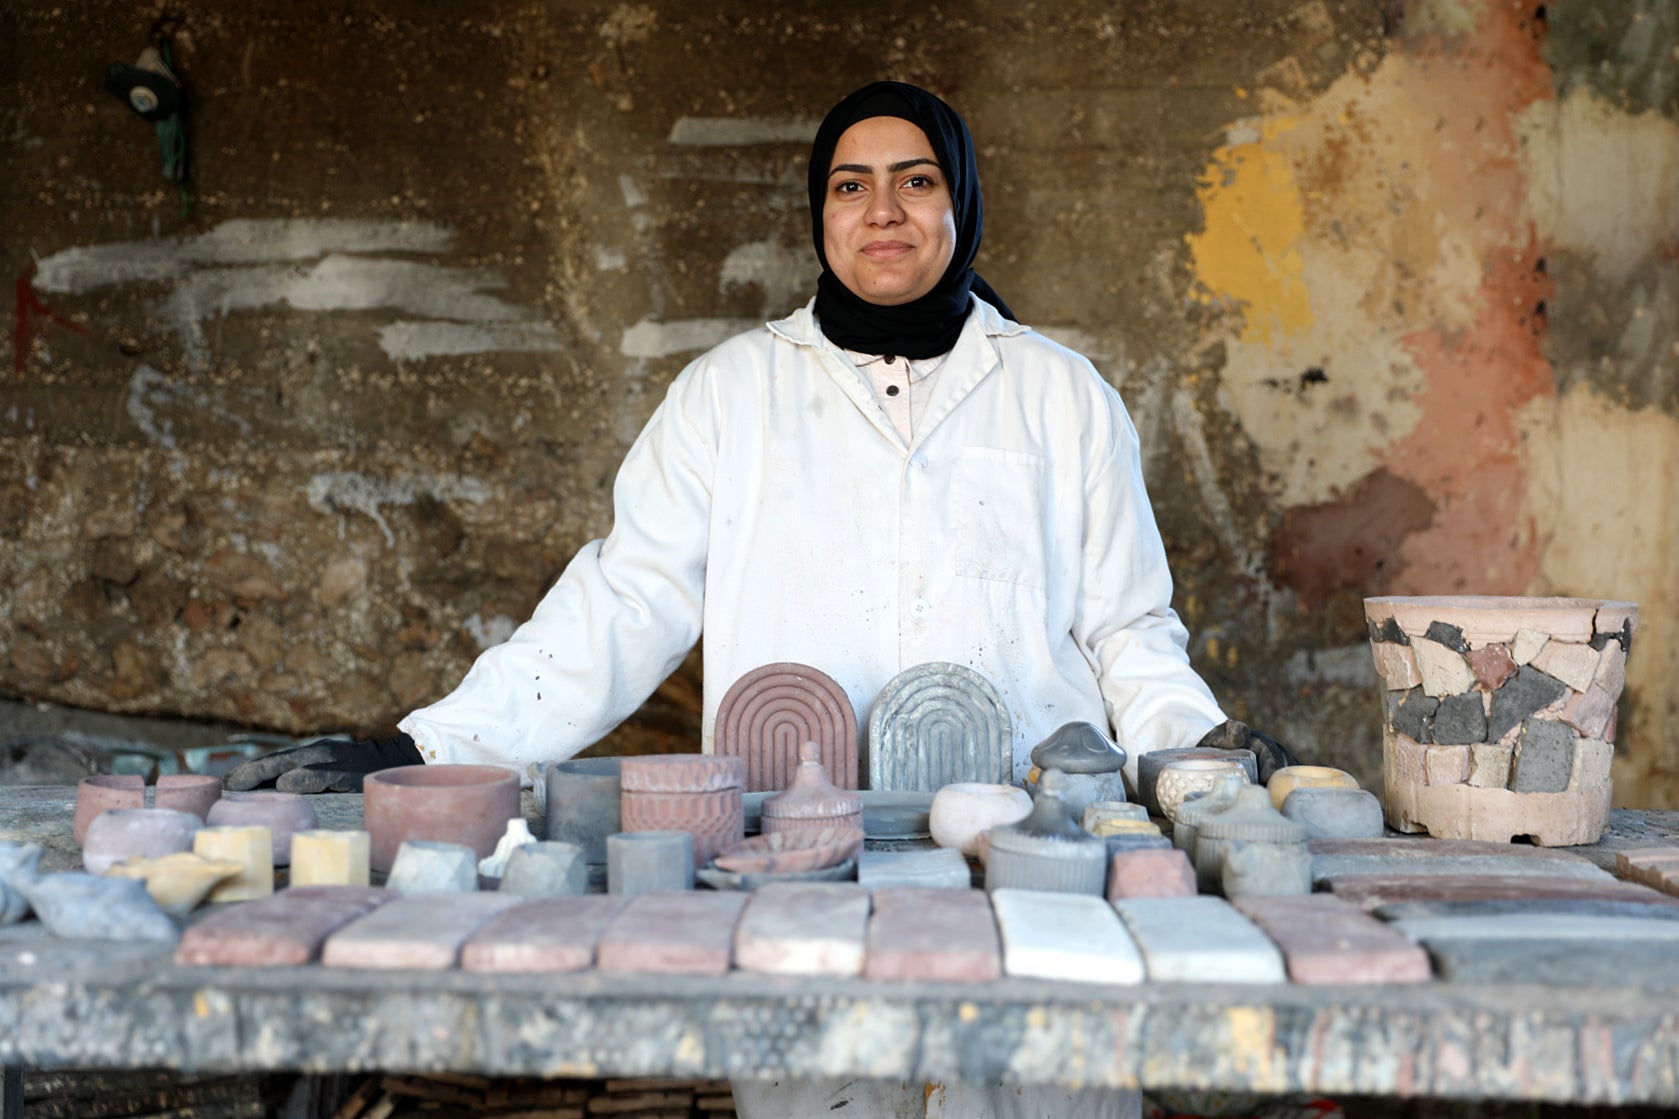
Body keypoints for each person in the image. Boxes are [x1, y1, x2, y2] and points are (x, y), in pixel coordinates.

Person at [229, 81, 1295, 1118]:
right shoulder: (729, 393)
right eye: (849, 185)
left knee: (1035, 1091)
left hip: (1030, 859)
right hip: (791, 862)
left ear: (958, 204)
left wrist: (1202, 754)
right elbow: (623, 599)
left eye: (915, 180)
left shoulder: (1060, 394)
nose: (882, 210)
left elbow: (1125, 629)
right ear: (817, 214)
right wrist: (435, 745)